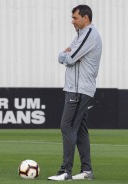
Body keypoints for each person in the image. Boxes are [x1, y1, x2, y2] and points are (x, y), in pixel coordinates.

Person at [48, 5, 102, 181]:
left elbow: (69, 58)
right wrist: (66, 55)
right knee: (80, 130)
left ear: (85, 18)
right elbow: (61, 56)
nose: (72, 21)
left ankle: (65, 171)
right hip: (76, 88)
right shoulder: (81, 35)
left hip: (79, 89)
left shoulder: (88, 34)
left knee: (67, 126)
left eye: (75, 18)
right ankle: (87, 171)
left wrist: (67, 55)